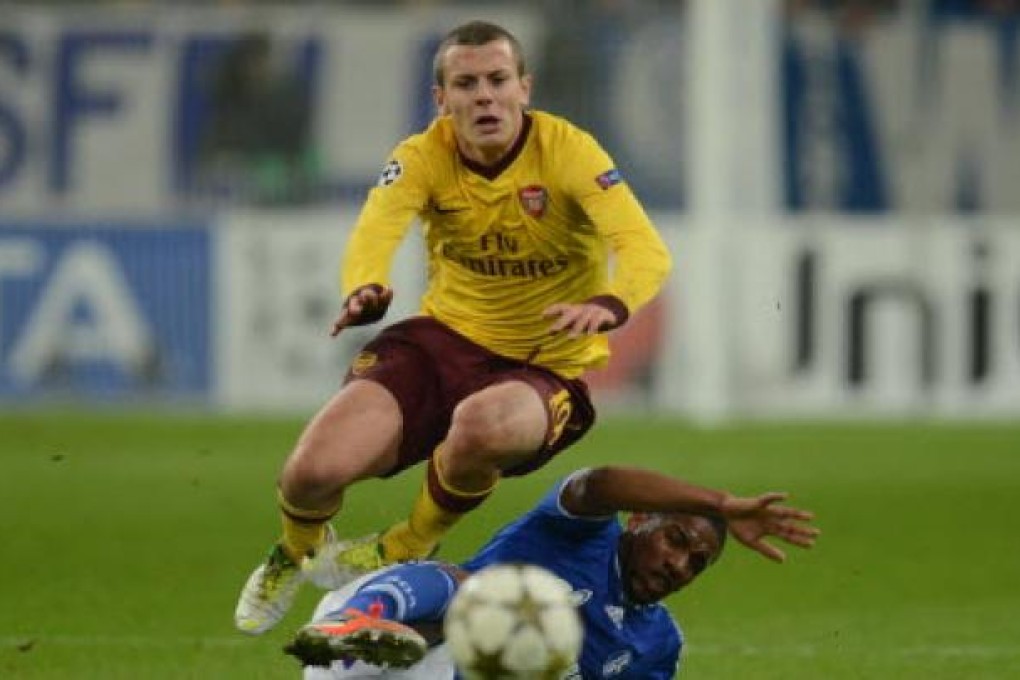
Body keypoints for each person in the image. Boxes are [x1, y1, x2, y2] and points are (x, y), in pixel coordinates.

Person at [235, 19, 672, 635]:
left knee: (482, 426)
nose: (485, 96)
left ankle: (408, 544)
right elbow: (376, 229)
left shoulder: (570, 152)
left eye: (498, 80)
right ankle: (297, 551)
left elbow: (645, 249)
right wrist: (365, 285)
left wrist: (612, 301)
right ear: (443, 99)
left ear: (525, 87)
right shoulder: (422, 156)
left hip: (544, 367)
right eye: (466, 84)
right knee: (310, 473)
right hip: (441, 344)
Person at [283, 465, 819, 678]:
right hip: (379, 657)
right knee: (483, 592)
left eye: (697, 563)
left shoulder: (656, 644)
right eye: (675, 539)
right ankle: (354, 626)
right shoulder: (581, 529)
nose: (680, 563)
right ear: (638, 520)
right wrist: (722, 503)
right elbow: (602, 481)